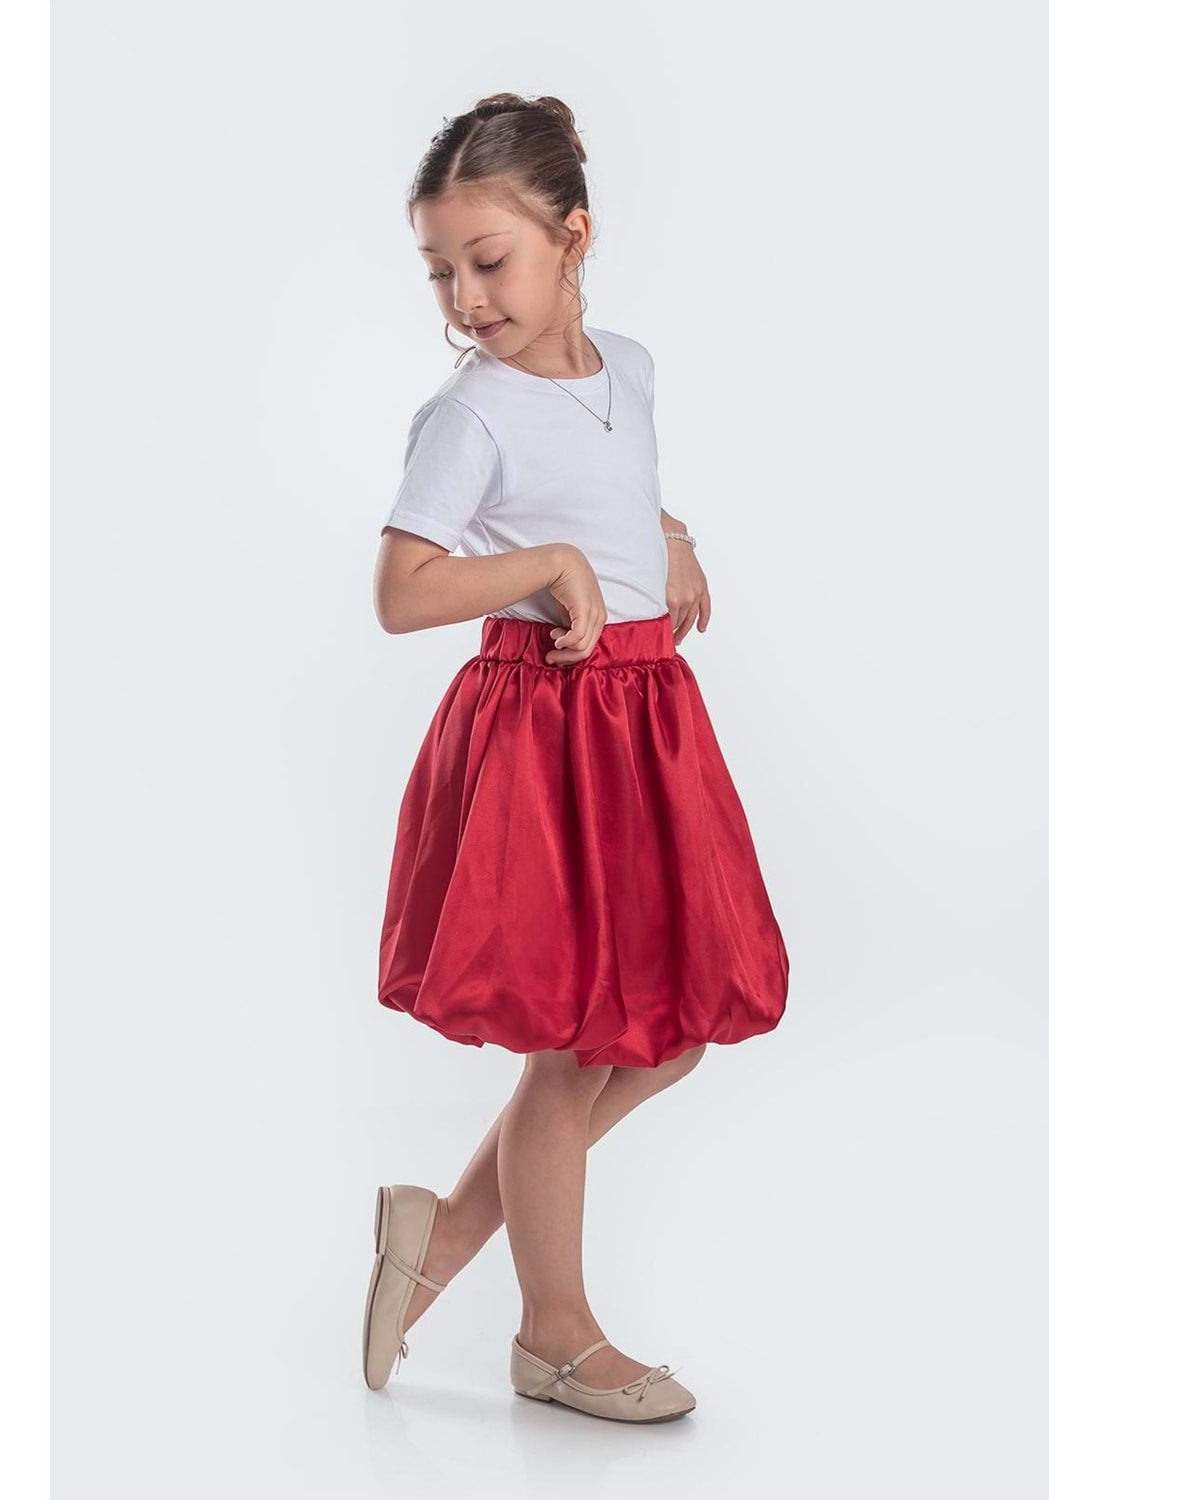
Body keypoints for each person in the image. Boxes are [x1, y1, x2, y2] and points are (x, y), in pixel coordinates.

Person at [363, 93, 789, 1424]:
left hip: (647, 719)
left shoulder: (632, 367)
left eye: (489, 262)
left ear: (574, 237)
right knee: (573, 1042)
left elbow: (606, 485)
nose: (466, 299)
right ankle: (552, 1334)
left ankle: (442, 1235)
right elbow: (402, 590)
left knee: (669, 1033)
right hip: (552, 733)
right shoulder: (468, 415)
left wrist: (668, 536)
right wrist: (544, 564)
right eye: (441, 271)